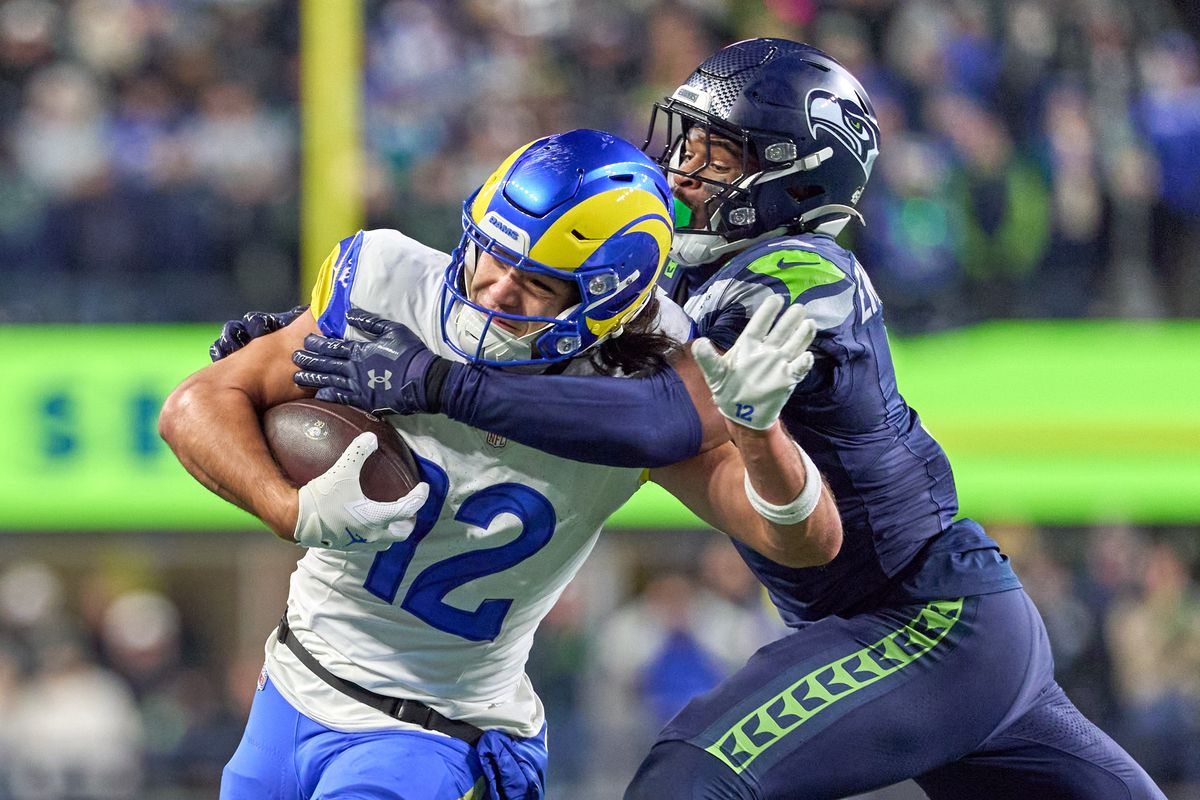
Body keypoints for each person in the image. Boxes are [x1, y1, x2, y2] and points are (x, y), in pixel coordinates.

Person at [217, 41, 1167, 798]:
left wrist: (435, 382)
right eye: (689, 140)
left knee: (689, 780)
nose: (684, 166)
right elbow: (564, 307)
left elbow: (663, 419)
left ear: (798, 178)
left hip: (922, 619)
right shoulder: (683, 269)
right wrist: (317, 334)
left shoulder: (804, 272)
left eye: (722, 152)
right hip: (909, 616)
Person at [160, 127, 842, 800]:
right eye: (491, 253)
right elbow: (194, 405)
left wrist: (758, 433)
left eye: (537, 282)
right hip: (289, 684)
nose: (494, 291)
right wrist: (289, 507)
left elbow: (804, 542)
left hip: (432, 732)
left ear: (609, 298)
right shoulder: (392, 285)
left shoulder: (643, 390)